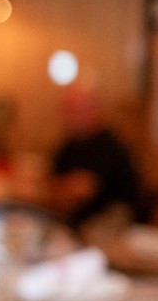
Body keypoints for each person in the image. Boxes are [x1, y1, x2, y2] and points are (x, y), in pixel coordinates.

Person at [49, 81, 142, 229]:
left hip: (111, 215)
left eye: (77, 109)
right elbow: (53, 183)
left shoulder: (108, 144)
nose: (70, 116)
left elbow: (82, 190)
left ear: (95, 110)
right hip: (81, 216)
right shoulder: (68, 145)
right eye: (68, 109)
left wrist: (62, 190)